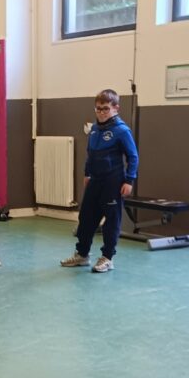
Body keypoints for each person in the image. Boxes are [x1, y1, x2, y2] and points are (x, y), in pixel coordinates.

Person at [60, 88, 138, 273]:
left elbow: (133, 156)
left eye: (105, 109)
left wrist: (129, 180)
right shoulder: (94, 129)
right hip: (95, 181)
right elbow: (91, 154)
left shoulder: (122, 131)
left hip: (113, 182)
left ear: (115, 108)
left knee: (111, 221)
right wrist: (87, 174)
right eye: (98, 109)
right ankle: (82, 255)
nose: (101, 112)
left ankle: (107, 258)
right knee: (86, 218)